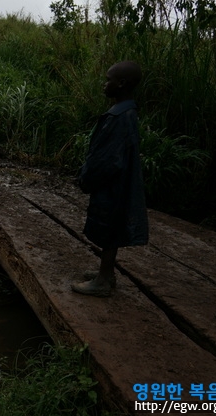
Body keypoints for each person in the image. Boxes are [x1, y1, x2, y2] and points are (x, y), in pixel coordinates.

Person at [72, 60, 149, 297]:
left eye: (109, 80)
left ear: (122, 83)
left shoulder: (120, 118)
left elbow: (107, 159)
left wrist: (87, 178)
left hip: (113, 184)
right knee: (109, 225)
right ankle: (106, 274)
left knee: (110, 226)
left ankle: (104, 280)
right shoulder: (124, 113)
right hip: (116, 183)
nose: (104, 85)